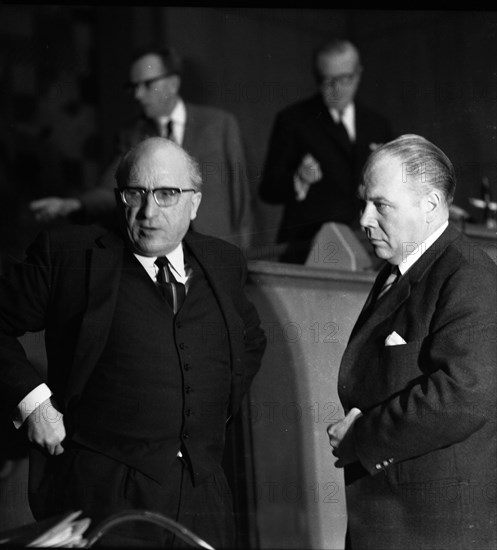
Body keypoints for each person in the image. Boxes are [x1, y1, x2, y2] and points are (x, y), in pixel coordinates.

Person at [0, 137, 266, 548]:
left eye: (166, 194)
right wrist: (33, 403)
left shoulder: (223, 262)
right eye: (135, 193)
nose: (148, 211)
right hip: (103, 497)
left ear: (194, 203)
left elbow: (251, 339)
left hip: (203, 496)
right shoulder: (69, 255)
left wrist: (210, 412)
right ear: (118, 197)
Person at [327, 134, 497, 550]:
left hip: (432, 529)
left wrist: (363, 436)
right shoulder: (401, 266)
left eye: (381, 205)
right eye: (364, 202)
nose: (364, 219)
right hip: (394, 519)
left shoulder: (467, 275)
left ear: (431, 205)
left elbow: (464, 396)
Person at [29, 45, 253, 249]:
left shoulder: (220, 124)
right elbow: (110, 190)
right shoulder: (131, 135)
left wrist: (243, 256)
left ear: (173, 84)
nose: (137, 95)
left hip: (217, 247)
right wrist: (75, 204)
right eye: (133, 87)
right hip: (162, 251)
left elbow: (240, 196)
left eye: (147, 85)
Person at [259, 38, 394, 263]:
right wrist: (299, 179)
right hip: (307, 248)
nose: (337, 89)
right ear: (317, 78)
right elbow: (268, 190)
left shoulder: (377, 124)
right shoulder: (293, 120)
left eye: (345, 79)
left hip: (366, 244)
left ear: (358, 74)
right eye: (329, 80)